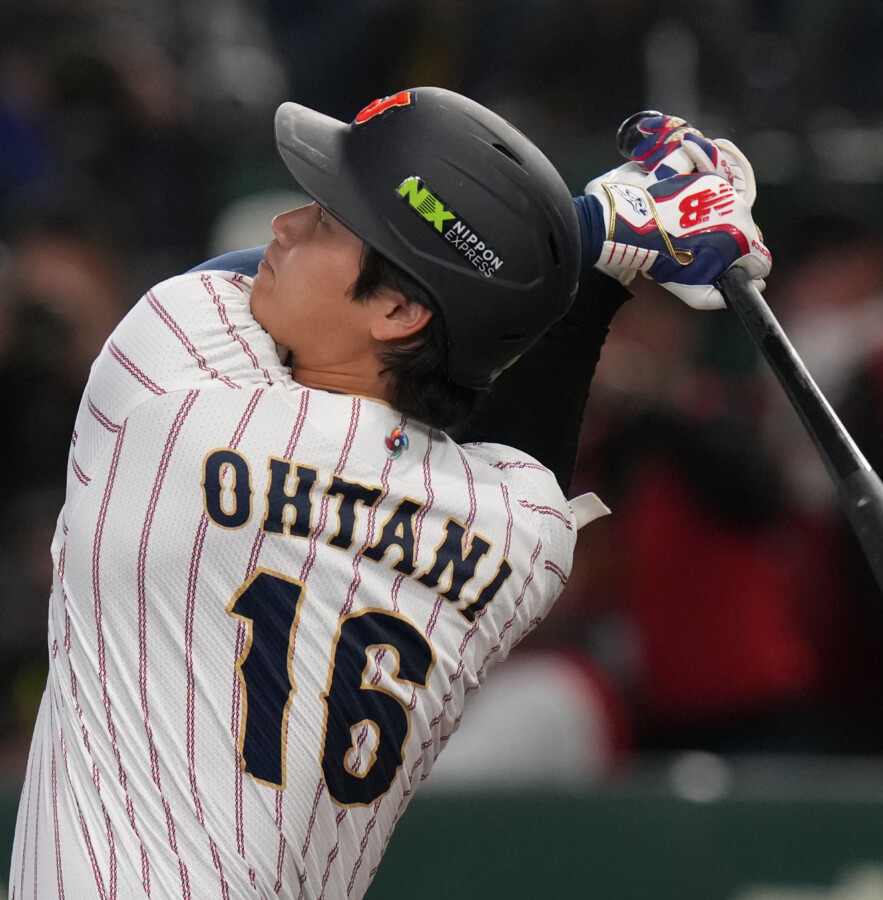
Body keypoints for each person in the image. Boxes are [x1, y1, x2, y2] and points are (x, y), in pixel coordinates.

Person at [8, 92, 768, 898]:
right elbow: (511, 427)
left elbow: (214, 287)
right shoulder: (519, 533)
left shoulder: (177, 400)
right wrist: (598, 264)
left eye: (329, 225)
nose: (283, 228)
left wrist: (600, 226)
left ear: (401, 309)